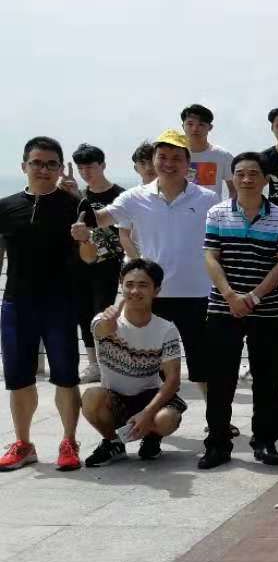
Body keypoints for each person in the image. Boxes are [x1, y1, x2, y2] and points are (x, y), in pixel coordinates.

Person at [81, 130, 216, 390]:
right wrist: (73, 199)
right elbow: (100, 218)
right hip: (152, 295)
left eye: (176, 158)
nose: (168, 163)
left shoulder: (207, 199)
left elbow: (220, 242)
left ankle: (215, 415)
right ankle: (156, 413)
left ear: (188, 163)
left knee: (203, 367)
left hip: (197, 294)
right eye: (162, 157)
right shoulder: (135, 197)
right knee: (151, 368)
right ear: (153, 160)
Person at [200, 151, 278, 469]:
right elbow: (211, 257)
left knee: (267, 379)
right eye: (240, 173)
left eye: (253, 173)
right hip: (223, 307)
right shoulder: (217, 213)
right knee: (220, 379)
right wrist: (230, 295)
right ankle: (217, 443)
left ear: (265, 179)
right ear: (233, 177)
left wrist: (253, 297)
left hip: (267, 309)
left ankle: (264, 440)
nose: (246, 179)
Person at [0, 137, 84, 472]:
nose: (43, 169)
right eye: (36, 162)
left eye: (51, 164)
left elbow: (91, 257)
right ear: (24, 166)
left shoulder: (75, 206)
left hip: (60, 303)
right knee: (19, 378)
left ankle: (69, 441)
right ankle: (23, 443)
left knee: (66, 376)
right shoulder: (5, 207)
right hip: (16, 303)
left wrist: (85, 235)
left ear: (61, 169)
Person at [80, 258, 187, 466]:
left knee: (166, 419)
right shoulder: (103, 320)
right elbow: (103, 329)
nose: (135, 291)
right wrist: (109, 321)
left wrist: (147, 413)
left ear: (156, 290)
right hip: (114, 397)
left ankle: (153, 437)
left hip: (149, 396)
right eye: (129, 284)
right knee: (91, 397)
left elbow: (173, 380)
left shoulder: (166, 329)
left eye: (143, 285)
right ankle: (113, 443)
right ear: (121, 286)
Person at [71, 143, 128, 384]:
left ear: (102, 165)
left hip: (109, 264)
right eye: (81, 168)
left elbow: (126, 233)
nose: (86, 173)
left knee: (103, 312)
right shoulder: (78, 196)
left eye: (90, 167)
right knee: (83, 313)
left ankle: (108, 362)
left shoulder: (121, 196)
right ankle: (93, 364)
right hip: (80, 263)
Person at [180, 103, 234, 204]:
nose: (195, 129)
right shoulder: (174, 156)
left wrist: (227, 210)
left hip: (212, 212)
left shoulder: (223, 156)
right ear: (183, 126)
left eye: (201, 124)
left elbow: (234, 189)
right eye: (190, 124)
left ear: (210, 127)